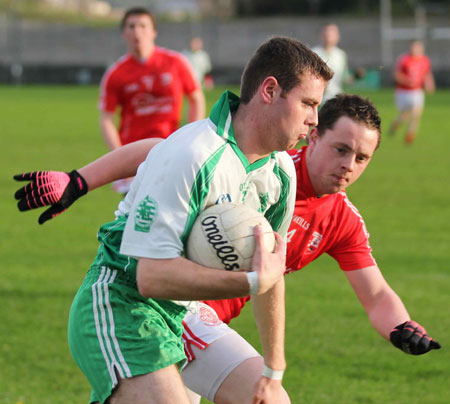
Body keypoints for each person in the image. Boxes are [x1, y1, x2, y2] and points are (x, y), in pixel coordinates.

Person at [14, 94, 441, 403]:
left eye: (361, 158)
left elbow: (376, 293)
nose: (349, 164)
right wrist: (80, 180)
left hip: (202, 320)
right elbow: (162, 151)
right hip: (167, 304)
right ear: (312, 138)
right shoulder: (269, 163)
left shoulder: (341, 220)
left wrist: (400, 326)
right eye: (341, 149)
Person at [14, 37, 332, 404]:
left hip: (184, 313)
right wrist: (250, 281)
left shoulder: (280, 174)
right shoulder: (193, 154)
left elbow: (270, 272)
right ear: (270, 91)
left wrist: (273, 370)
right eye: (308, 103)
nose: (315, 119)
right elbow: (152, 277)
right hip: (122, 301)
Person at [100, 7, 206, 193]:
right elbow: (106, 119)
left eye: (143, 25)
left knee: (174, 216)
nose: (137, 31)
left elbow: (196, 98)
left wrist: (191, 139)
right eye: (131, 26)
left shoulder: (176, 62)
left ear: (154, 32)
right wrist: (120, 157)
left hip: (171, 153)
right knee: (134, 217)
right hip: (133, 159)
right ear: (124, 33)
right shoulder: (116, 73)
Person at [388, 40, 435, 144]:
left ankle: (410, 135)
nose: (416, 50)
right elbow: (396, 74)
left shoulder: (425, 60)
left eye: (418, 47)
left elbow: (427, 73)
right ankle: (395, 124)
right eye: (414, 47)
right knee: (405, 115)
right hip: (403, 92)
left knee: (416, 114)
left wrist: (429, 83)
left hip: (417, 91)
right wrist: (406, 80)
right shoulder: (404, 59)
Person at [312, 24, 351, 103]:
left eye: (331, 34)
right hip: (318, 99)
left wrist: (356, 76)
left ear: (337, 36)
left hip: (336, 98)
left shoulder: (340, 55)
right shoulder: (313, 53)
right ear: (321, 35)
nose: (328, 37)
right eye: (326, 34)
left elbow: (345, 79)